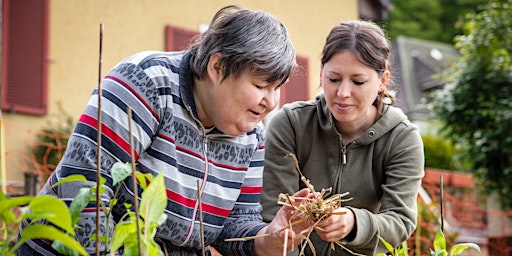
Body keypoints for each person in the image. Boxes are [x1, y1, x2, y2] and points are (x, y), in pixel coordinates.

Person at [18, 5, 312, 256]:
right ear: (217, 67)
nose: (271, 102)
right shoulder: (144, 84)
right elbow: (81, 188)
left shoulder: (252, 134)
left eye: (277, 88)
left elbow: (234, 224)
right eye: (260, 85)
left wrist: (268, 239)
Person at [260, 20, 425, 256]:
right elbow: (274, 215)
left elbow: (400, 221)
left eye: (358, 81)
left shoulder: (402, 139)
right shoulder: (291, 124)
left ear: (382, 81)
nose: (343, 93)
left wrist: (355, 223)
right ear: (321, 73)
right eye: (334, 79)